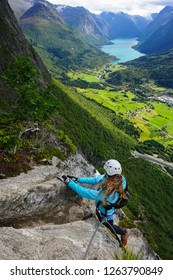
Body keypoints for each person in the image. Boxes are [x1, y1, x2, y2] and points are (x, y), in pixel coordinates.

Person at [57, 159, 129, 246]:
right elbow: (96, 180)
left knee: (109, 225)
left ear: (109, 172)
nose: (104, 172)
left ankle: (124, 233)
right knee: (106, 223)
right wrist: (78, 179)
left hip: (106, 211)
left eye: (106, 170)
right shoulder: (119, 179)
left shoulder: (107, 193)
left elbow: (84, 192)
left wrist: (68, 182)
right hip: (108, 207)